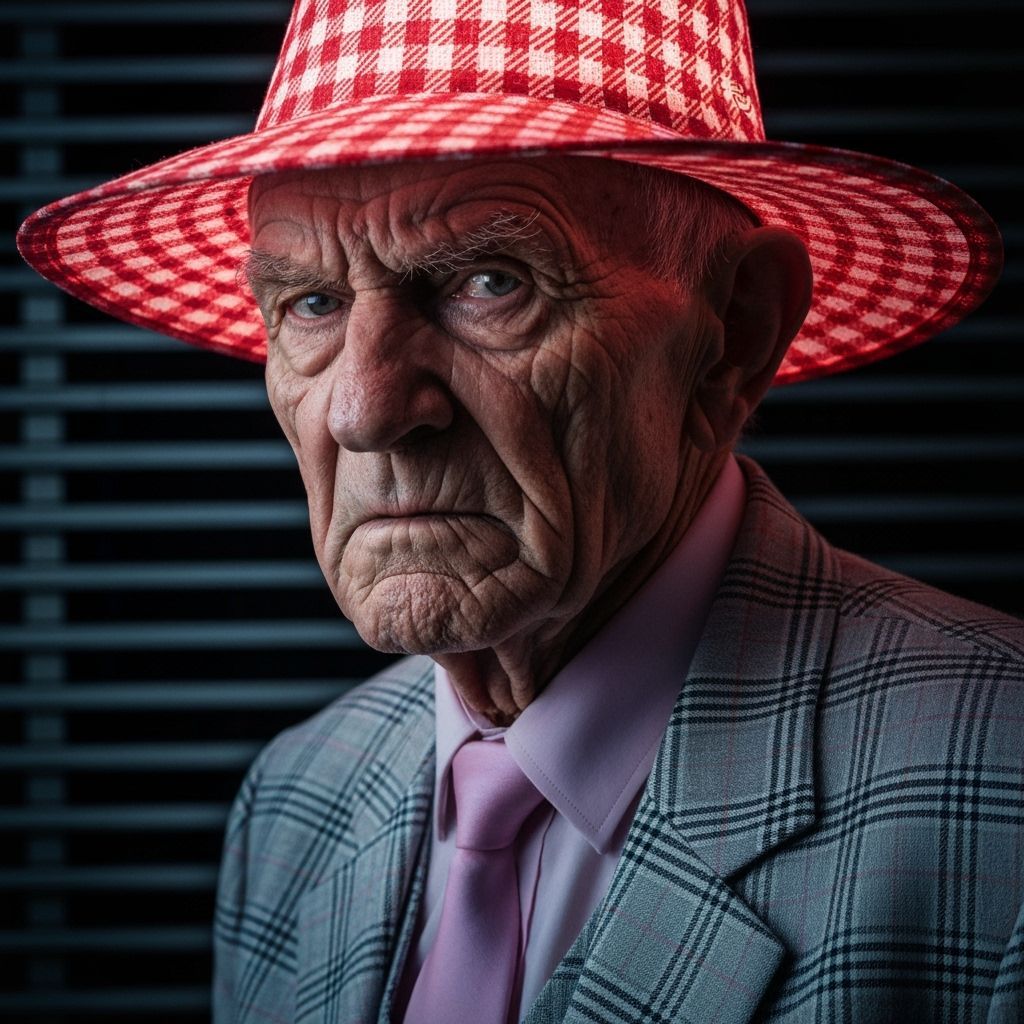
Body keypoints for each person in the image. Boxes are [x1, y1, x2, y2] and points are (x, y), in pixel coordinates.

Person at [17, 0, 1022, 1021]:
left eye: (488, 282)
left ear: (733, 330)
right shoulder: (294, 803)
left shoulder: (1001, 794)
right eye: (310, 305)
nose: (364, 410)